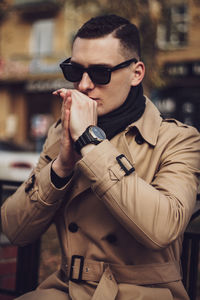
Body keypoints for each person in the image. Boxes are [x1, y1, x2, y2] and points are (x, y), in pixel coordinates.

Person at [1, 14, 200, 300]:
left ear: (136, 73)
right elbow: (14, 230)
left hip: (145, 293)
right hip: (65, 289)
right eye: (74, 71)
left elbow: (161, 229)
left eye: (100, 73)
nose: (83, 85)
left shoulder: (179, 139)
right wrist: (61, 166)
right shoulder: (61, 133)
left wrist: (90, 142)